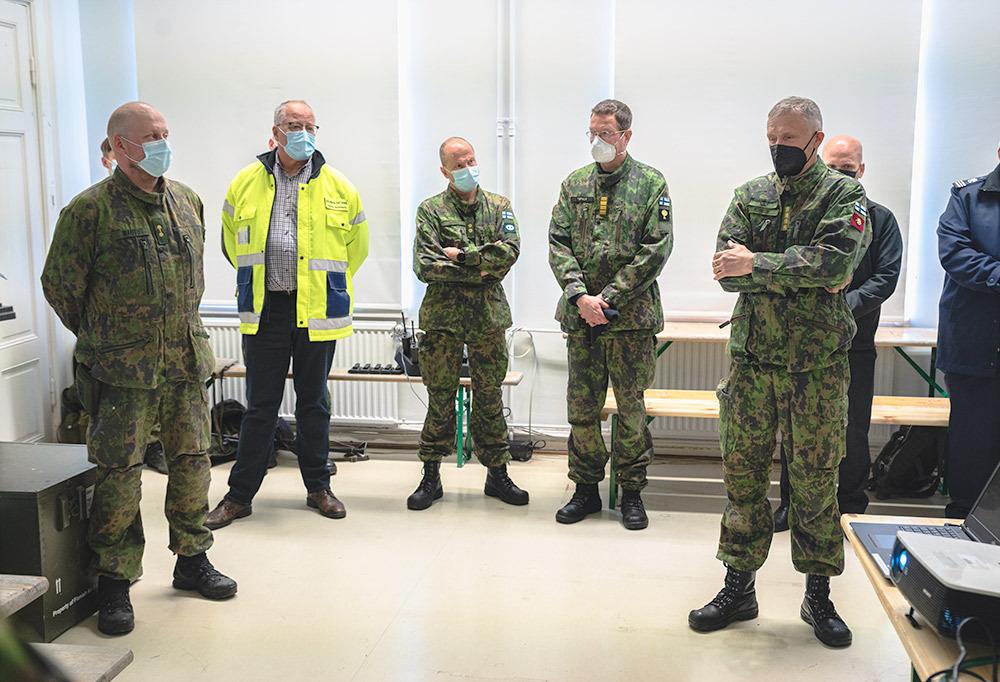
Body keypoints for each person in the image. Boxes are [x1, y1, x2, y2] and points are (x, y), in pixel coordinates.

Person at [41, 101, 237, 636]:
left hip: (185, 362)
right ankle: (114, 580)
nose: (162, 143)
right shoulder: (89, 211)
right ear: (121, 146)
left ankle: (192, 557)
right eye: (152, 136)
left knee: (193, 461)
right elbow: (61, 287)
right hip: (121, 372)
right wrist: (108, 338)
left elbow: (194, 280)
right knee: (120, 474)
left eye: (165, 133)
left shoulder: (187, 201)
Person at [688, 97, 870, 647]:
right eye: (771, 137)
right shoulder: (750, 195)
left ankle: (818, 595)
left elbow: (836, 262)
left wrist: (758, 262)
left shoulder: (843, 194)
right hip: (752, 363)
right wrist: (796, 269)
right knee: (742, 478)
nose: (778, 147)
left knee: (815, 482)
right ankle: (738, 587)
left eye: (788, 138)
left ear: (815, 139)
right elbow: (726, 271)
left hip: (815, 367)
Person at [208, 100, 369, 528]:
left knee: (314, 403)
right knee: (260, 406)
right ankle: (239, 496)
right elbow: (230, 244)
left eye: (310, 126)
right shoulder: (245, 182)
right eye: (294, 125)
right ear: (276, 132)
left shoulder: (339, 185)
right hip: (267, 309)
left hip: (316, 307)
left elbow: (356, 249)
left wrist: (320, 288)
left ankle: (319, 488)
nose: (303, 133)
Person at [548, 99, 673, 531]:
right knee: (582, 408)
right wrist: (581, 297)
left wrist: (608, 296)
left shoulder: (650, 183)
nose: (597, 140)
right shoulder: (574, 184)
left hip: (630, 320)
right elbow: (558, 243)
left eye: (606, 133)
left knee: (631, 409)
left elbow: (656, 248)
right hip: (582, 318)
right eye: (593, 132)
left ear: (626, 136)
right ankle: (585, 488)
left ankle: (632, 491)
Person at [774, 135, 903, 528]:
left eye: (847, 169)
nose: (840, 175)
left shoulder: (880, 219)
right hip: (804, 346)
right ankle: (791, 505)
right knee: (796, 429)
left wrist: (842, 307)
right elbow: (792, 267)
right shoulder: (806, 214)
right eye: (832, 168)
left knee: (852, 431)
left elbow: (885, 278)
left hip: (855, 345)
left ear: (861, 170)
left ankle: (849, 508)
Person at [406, 137, 527, 510]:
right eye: (459, 165)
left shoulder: (499, 206)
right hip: (443, 321)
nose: (467, 169)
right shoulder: (430, 210)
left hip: (488, 318)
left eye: (471, 160)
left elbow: (509, 252)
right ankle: (430, 476)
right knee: (439, 398)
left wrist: (462, 257)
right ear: (445, 171)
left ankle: (497, 474)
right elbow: (425, 265)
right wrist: (481, 269)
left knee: (490, 397)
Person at [936, 140, 1000, 518]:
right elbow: (956, 256)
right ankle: (963, 526)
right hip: (974, 346)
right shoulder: (967, 197)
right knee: (972, 447)